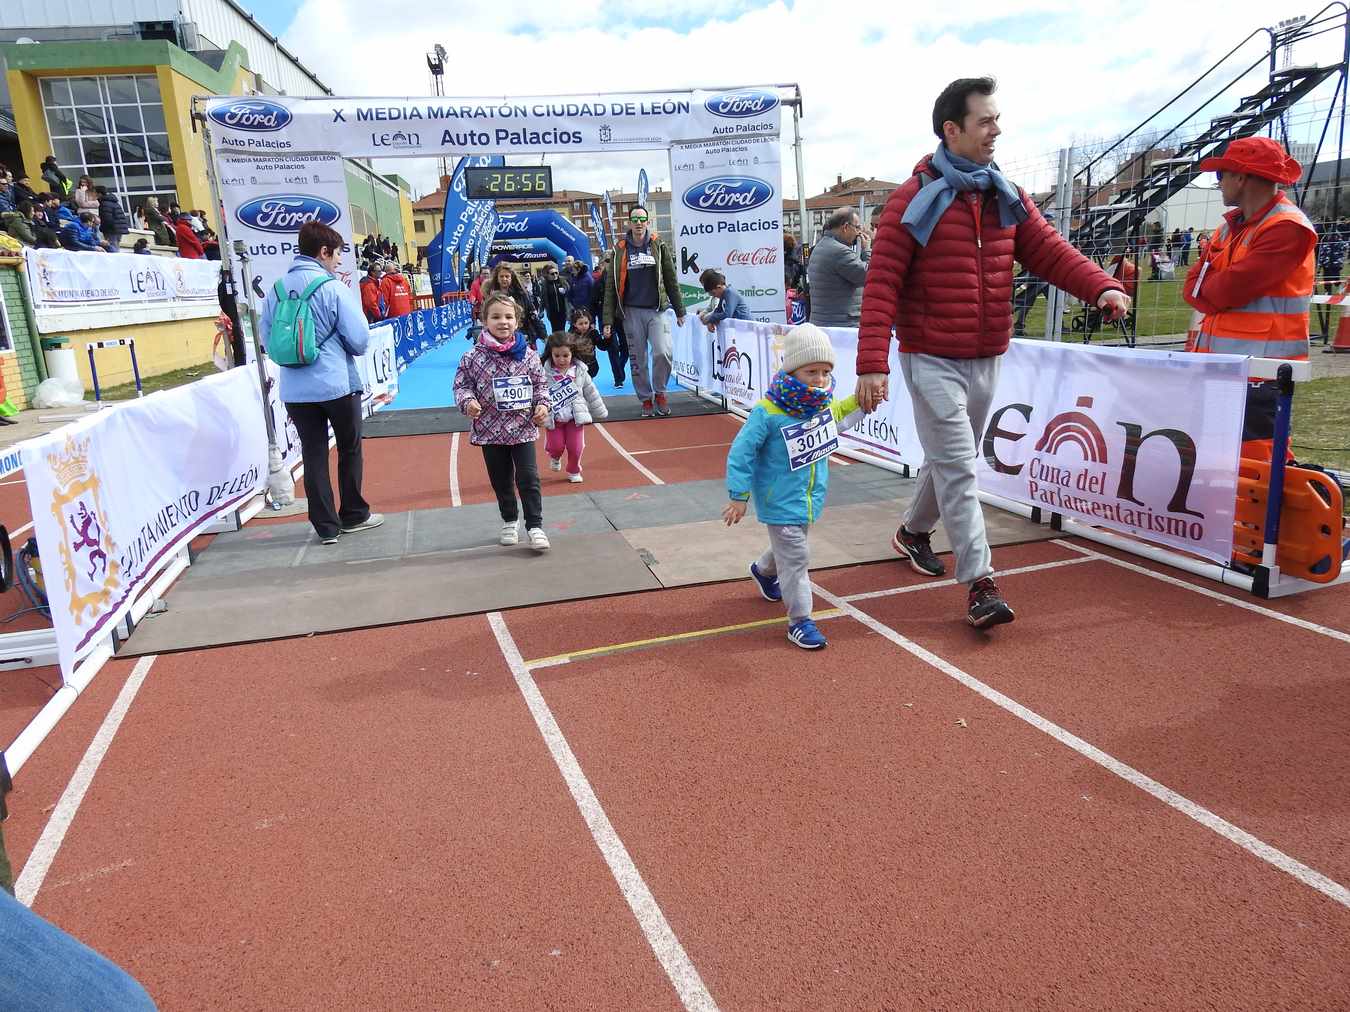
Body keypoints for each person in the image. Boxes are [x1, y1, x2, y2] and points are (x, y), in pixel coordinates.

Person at [857, 76, 1129, 629]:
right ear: (951, 130)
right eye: (985, 121)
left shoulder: (1003, 193)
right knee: (959, 467)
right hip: (930, 357)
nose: (996, 130)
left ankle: (912, 533)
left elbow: (1050, 251)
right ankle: (980, 584)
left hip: (986, 356)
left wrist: (1099, 286)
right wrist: (871, 365)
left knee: (947, 460)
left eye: (996, 119)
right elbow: (881, 284)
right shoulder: (911, 201)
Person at [722, 323, 862, 650]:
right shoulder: (767, 412)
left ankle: (763, 570)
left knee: (790, 547)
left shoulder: (820, 405)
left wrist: (864, 400)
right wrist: (738, 497)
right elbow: (741, 453)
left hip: (808, 499)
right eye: (811, 371)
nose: (820, 379)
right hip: (778, 500)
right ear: (792, 370)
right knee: (797, 557)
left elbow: (840, 415)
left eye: (825, 372)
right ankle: (800, 621)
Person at [1181, 136, 1315, 461]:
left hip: (1262, 374)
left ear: (1241, 178)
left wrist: (1211, 288)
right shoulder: (1229, 227)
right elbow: (1191, 288)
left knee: (1258, 471)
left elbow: (1227, 289)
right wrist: (1212, 289)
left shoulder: (1288, 228)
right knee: (1218, 465)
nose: (1218, 184)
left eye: (1221, 175)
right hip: (1223, 369)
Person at [261, 221, 383, 545]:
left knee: (313, 454)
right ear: (324, 251)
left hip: (295, 389)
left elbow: (266, 337)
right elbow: (359, 339)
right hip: (336, 384)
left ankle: (326, 527)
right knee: (349, 448)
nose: (339, 261)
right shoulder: (331, 288)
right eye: (338, 253)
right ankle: (354, 514)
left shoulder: (275, 291)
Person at [452, 291, 551, 551]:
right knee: (501, 480)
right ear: (485, 320)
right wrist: (468, 402)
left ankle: (535, 526)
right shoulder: (471, 357)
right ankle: (510, 520)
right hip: (489, 431)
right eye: (496, 317)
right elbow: (461, 387)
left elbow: (541, 384)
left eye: (508, 317)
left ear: (517, 322)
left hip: (522, 428)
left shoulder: (529, 355)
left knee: (529, 478)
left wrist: (542, 404)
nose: (503, 322)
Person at [603, 205, 686, 416]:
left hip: (656, 310)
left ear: (647, 222)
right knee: (638, 360)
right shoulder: (620, 249)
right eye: (634, 219)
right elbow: (611, 286)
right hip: (631, 312)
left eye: (642, 219)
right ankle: (646, 399)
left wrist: (679, 309)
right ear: (629, 223)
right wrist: (607, 320)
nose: (638, 223)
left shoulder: (658, 244)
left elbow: (670, 278)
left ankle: (660, 392)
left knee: (663, 352)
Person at [542, 331, 609, 483]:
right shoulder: (545, 373)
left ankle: (573, 470)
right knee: (556, 446)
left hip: (575, 417)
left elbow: (590, 391)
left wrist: (600, 410)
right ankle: (554, 456)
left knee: (576, 447)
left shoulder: (580, 371)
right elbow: (538, 392)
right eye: (557, 356)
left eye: (565, 355)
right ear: (550, 354)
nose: (561, 360)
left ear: (572, 353)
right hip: (555, 418)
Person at [807, 207, 871, 327]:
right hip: (842, 325)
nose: (859, 233)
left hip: (826, 321)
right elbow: (869, 275)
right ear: (845, 227)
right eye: (857, 227)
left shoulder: (821, 246)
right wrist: (867, 249)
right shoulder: (839, 251)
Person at [482, 263, 545, 346]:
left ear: (511, 278)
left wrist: (543, 335)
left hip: (523, 335)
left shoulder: (522, 294)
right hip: (499, 337)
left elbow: (532, 314)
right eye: (501, 276)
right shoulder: (491, 297)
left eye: (507, 276)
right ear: (497, 278)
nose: (504, 279)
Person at [567, 307, 601, 378]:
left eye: (586, 323)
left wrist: (608, 339)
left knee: (588, 386)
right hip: (576, 368)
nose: (584, 326)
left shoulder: (593, 333)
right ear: (575, 324)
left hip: (591, 366)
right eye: (581, 324)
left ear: (589, 322)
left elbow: (602, 346)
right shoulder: (570, 335)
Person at [539, 262, 570, 332]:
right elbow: (543, 299)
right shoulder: (545, 284)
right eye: (552, 274)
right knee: (555, 329)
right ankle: (556, 342)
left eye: (556, 273)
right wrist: (541, 310)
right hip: (552, 312)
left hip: (563, 310)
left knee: (562, 329)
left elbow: (569, 291)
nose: (555, 275)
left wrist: (565, 291)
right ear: (548, 275)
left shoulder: (562, 280)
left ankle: (563, 342)